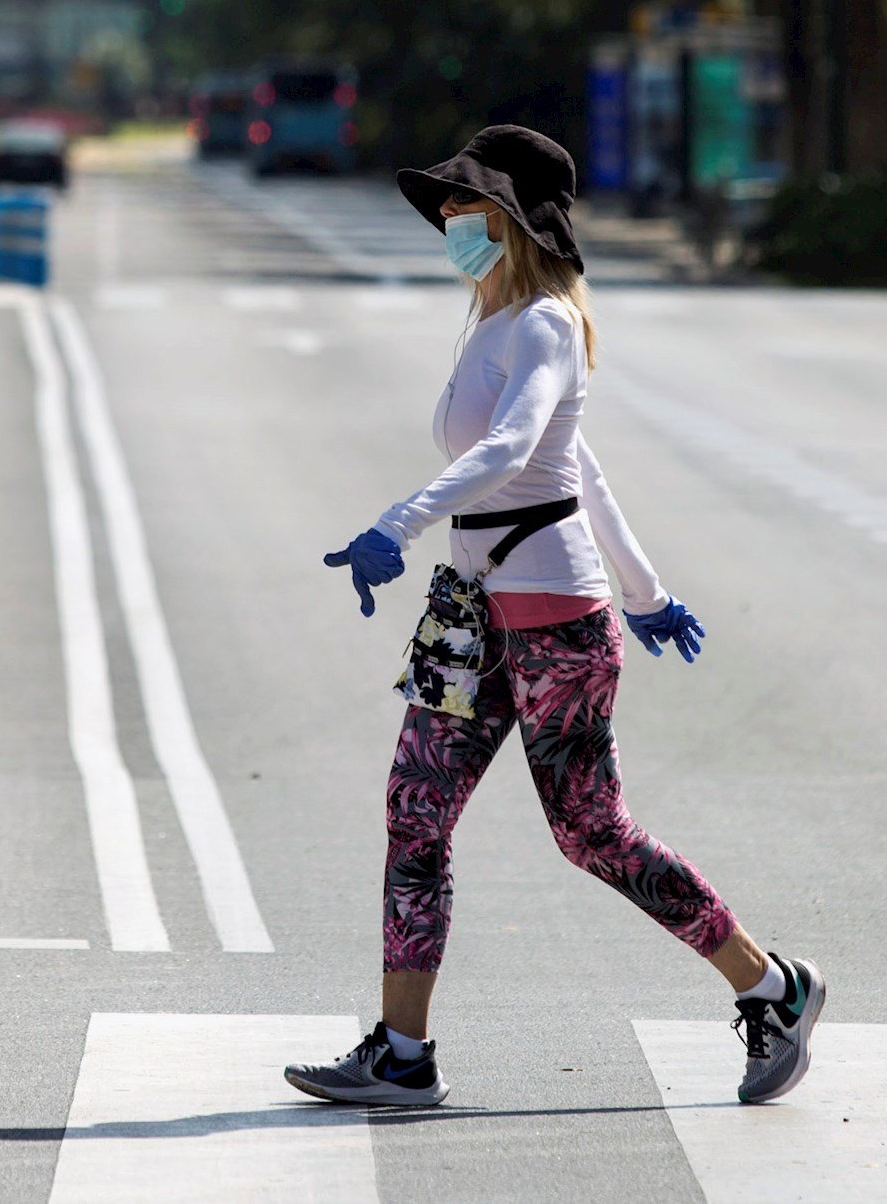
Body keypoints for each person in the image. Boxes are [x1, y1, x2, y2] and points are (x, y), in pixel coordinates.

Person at [283, 126, 822, 1109]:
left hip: (554, 625)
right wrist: (648, 589)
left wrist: (398, 522)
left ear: (514, 222)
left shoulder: (539, 325)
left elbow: (524, 447)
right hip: (473, 618)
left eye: (466, 206)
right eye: (443, 205)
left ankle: (771, 987)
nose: (448, 221)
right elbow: (580, 467)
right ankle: (402, 1054)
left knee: (590, 833)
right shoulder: (489, 325)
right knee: (414, 815)